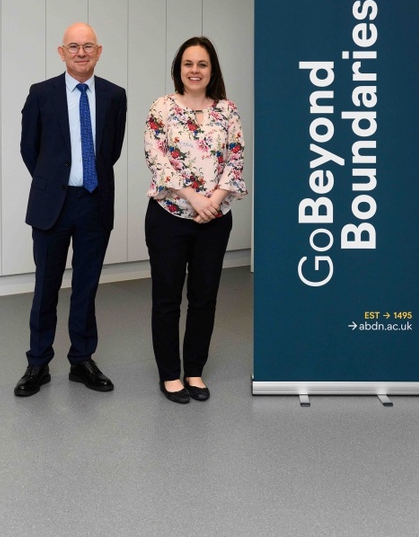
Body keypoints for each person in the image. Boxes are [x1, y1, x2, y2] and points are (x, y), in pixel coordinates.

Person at [14, 23, 127, 397]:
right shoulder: (41, 93)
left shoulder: (114, 96)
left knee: (86, 286)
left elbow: (111, 151)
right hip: (53, 205)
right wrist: (55, 183)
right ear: (62, 52)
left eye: (88, 46)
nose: (81, 52)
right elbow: (30, 149)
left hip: (94, 201)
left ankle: (81, 359)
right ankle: (38, 362)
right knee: (46, 285)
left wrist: (86, 179)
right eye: (73, 46)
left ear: (99, 51)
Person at [144, 36, 247, 403]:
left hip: (215, 220)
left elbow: (235, 160)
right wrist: (193, 198)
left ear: (212, 70)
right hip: (169, 217)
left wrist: (213, 202)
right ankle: (170, 375)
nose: (195, 70)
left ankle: (194, 371)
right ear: (179, 69)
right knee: (167, 298)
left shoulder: (227, 111)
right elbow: (157, 159)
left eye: (202, 64)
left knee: (204, 298)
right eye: (188, 63)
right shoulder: (162, 108)